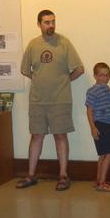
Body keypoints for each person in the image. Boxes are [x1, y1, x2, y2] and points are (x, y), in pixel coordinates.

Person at [16, 10, 84, 191]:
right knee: (36, 136)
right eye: (47, 22)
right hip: (37, 100)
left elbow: (79, 69)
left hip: (60, 100)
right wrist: (39, 80)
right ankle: (31, 175)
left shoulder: (64, 43)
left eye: (53, 21)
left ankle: (63, 175)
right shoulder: (33, 44)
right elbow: (24, 70)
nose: (51, 25)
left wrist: (64, 81)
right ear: (39, 24)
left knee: (60, 136)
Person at [86, 63, 110, 192]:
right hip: (101, 124)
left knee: (103, 154)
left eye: (107, 75)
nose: (104, 78)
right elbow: (89, 110)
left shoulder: (106, 89)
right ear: (95, 76)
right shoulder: (93, 90)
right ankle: (102, 183)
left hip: (108, 124)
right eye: (101, 75)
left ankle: (99, 180)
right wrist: (93, 128)